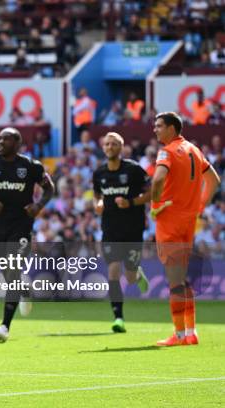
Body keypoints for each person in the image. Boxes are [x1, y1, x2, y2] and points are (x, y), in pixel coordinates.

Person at [0, 127, 54, 342]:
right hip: (0, 227)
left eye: (6, 138)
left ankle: (4, 326)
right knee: (10, 274)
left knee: (14, 266)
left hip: (22, 225)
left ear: (17, 143)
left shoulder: (30, 166)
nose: (0, 141)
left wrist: (38, 206)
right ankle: (24, 289)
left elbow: (49, 189)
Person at [151, 112, 220, 346]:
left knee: (175, 281)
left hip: (169, 220)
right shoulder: (195, 150)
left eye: (159, 126)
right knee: (183, 279)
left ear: (172, 128)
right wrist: (199, 205)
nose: (155, 130)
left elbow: (158, 179)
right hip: (188, 221)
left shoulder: (167, 151)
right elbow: (214, 181)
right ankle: (191, 332)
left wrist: (156, 203)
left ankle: (179, 335)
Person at [92, 132, 151, 333]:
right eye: (107, 144)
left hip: (133, 229)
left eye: (114, 144)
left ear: (121, 147)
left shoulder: (133, 170)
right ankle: (118, 317)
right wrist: (98, 203)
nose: (110, 147)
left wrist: (132, 202)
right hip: (110, 230)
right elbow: (96, 195)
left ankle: (138, 274)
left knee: (131, 277)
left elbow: (152, 192)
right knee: (113, 271)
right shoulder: (99, 173)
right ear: (103, 148)